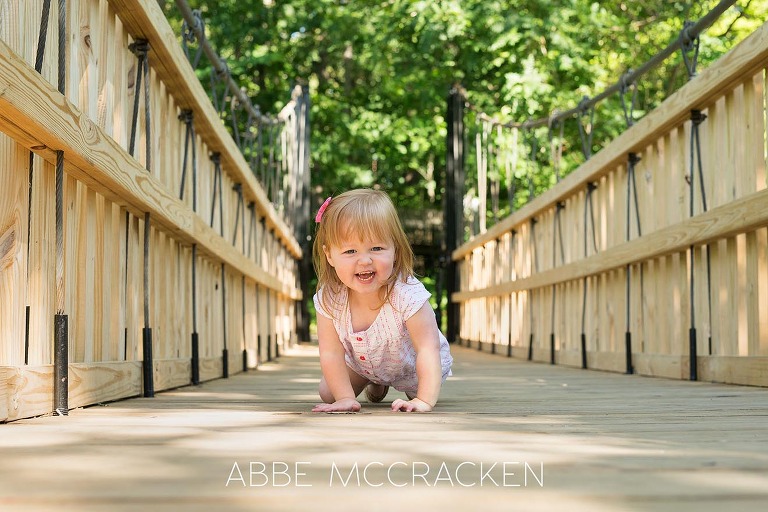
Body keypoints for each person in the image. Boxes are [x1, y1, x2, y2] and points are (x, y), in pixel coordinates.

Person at [311, 189, 453, 413]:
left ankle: (402, 388)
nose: (365, 260)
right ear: (329, 256)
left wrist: (424, 401)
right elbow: (330, 353)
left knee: (421, 391)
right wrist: (345, 398)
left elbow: (427, 348)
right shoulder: (330, 299)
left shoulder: (406, 294)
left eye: (377, 248)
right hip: (363, 363)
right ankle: (374, 380)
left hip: (411, 367)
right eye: (350, 251)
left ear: (395, 249)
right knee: (328, 392)